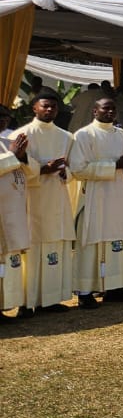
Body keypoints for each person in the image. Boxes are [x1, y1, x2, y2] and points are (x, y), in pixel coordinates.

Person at [9, 91, 75, 308]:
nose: (49, 110)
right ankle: (27, 303)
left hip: (56, 198)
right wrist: (43, 169)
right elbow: (14, 170)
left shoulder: (66, 137)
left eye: (53, 107)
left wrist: (65, 172)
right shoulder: (20, 135)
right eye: (45, 106)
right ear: (34, 108)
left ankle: (51, 299)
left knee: (54, 249)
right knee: (32, 249)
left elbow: (74, 169)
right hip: (31, 200)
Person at [70, 98, 123, 306]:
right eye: (105, 108)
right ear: (94, 110)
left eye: (113, 109)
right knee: (91, 244)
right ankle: (85, 291)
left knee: (118, 241)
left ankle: (115, 287)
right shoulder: (83, 135)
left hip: (118, 194)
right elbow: (78, 169)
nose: (110, 112)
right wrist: (114, 165)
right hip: (95, 196)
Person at [0, 114, 33, 315]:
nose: (3, 120)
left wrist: (22, 158)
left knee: (9, 263)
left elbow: (28, 172)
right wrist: (13, 156)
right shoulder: (10, 147)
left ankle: (6, 304)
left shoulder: (7, 142)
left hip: (12, 211)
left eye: (5, 116)